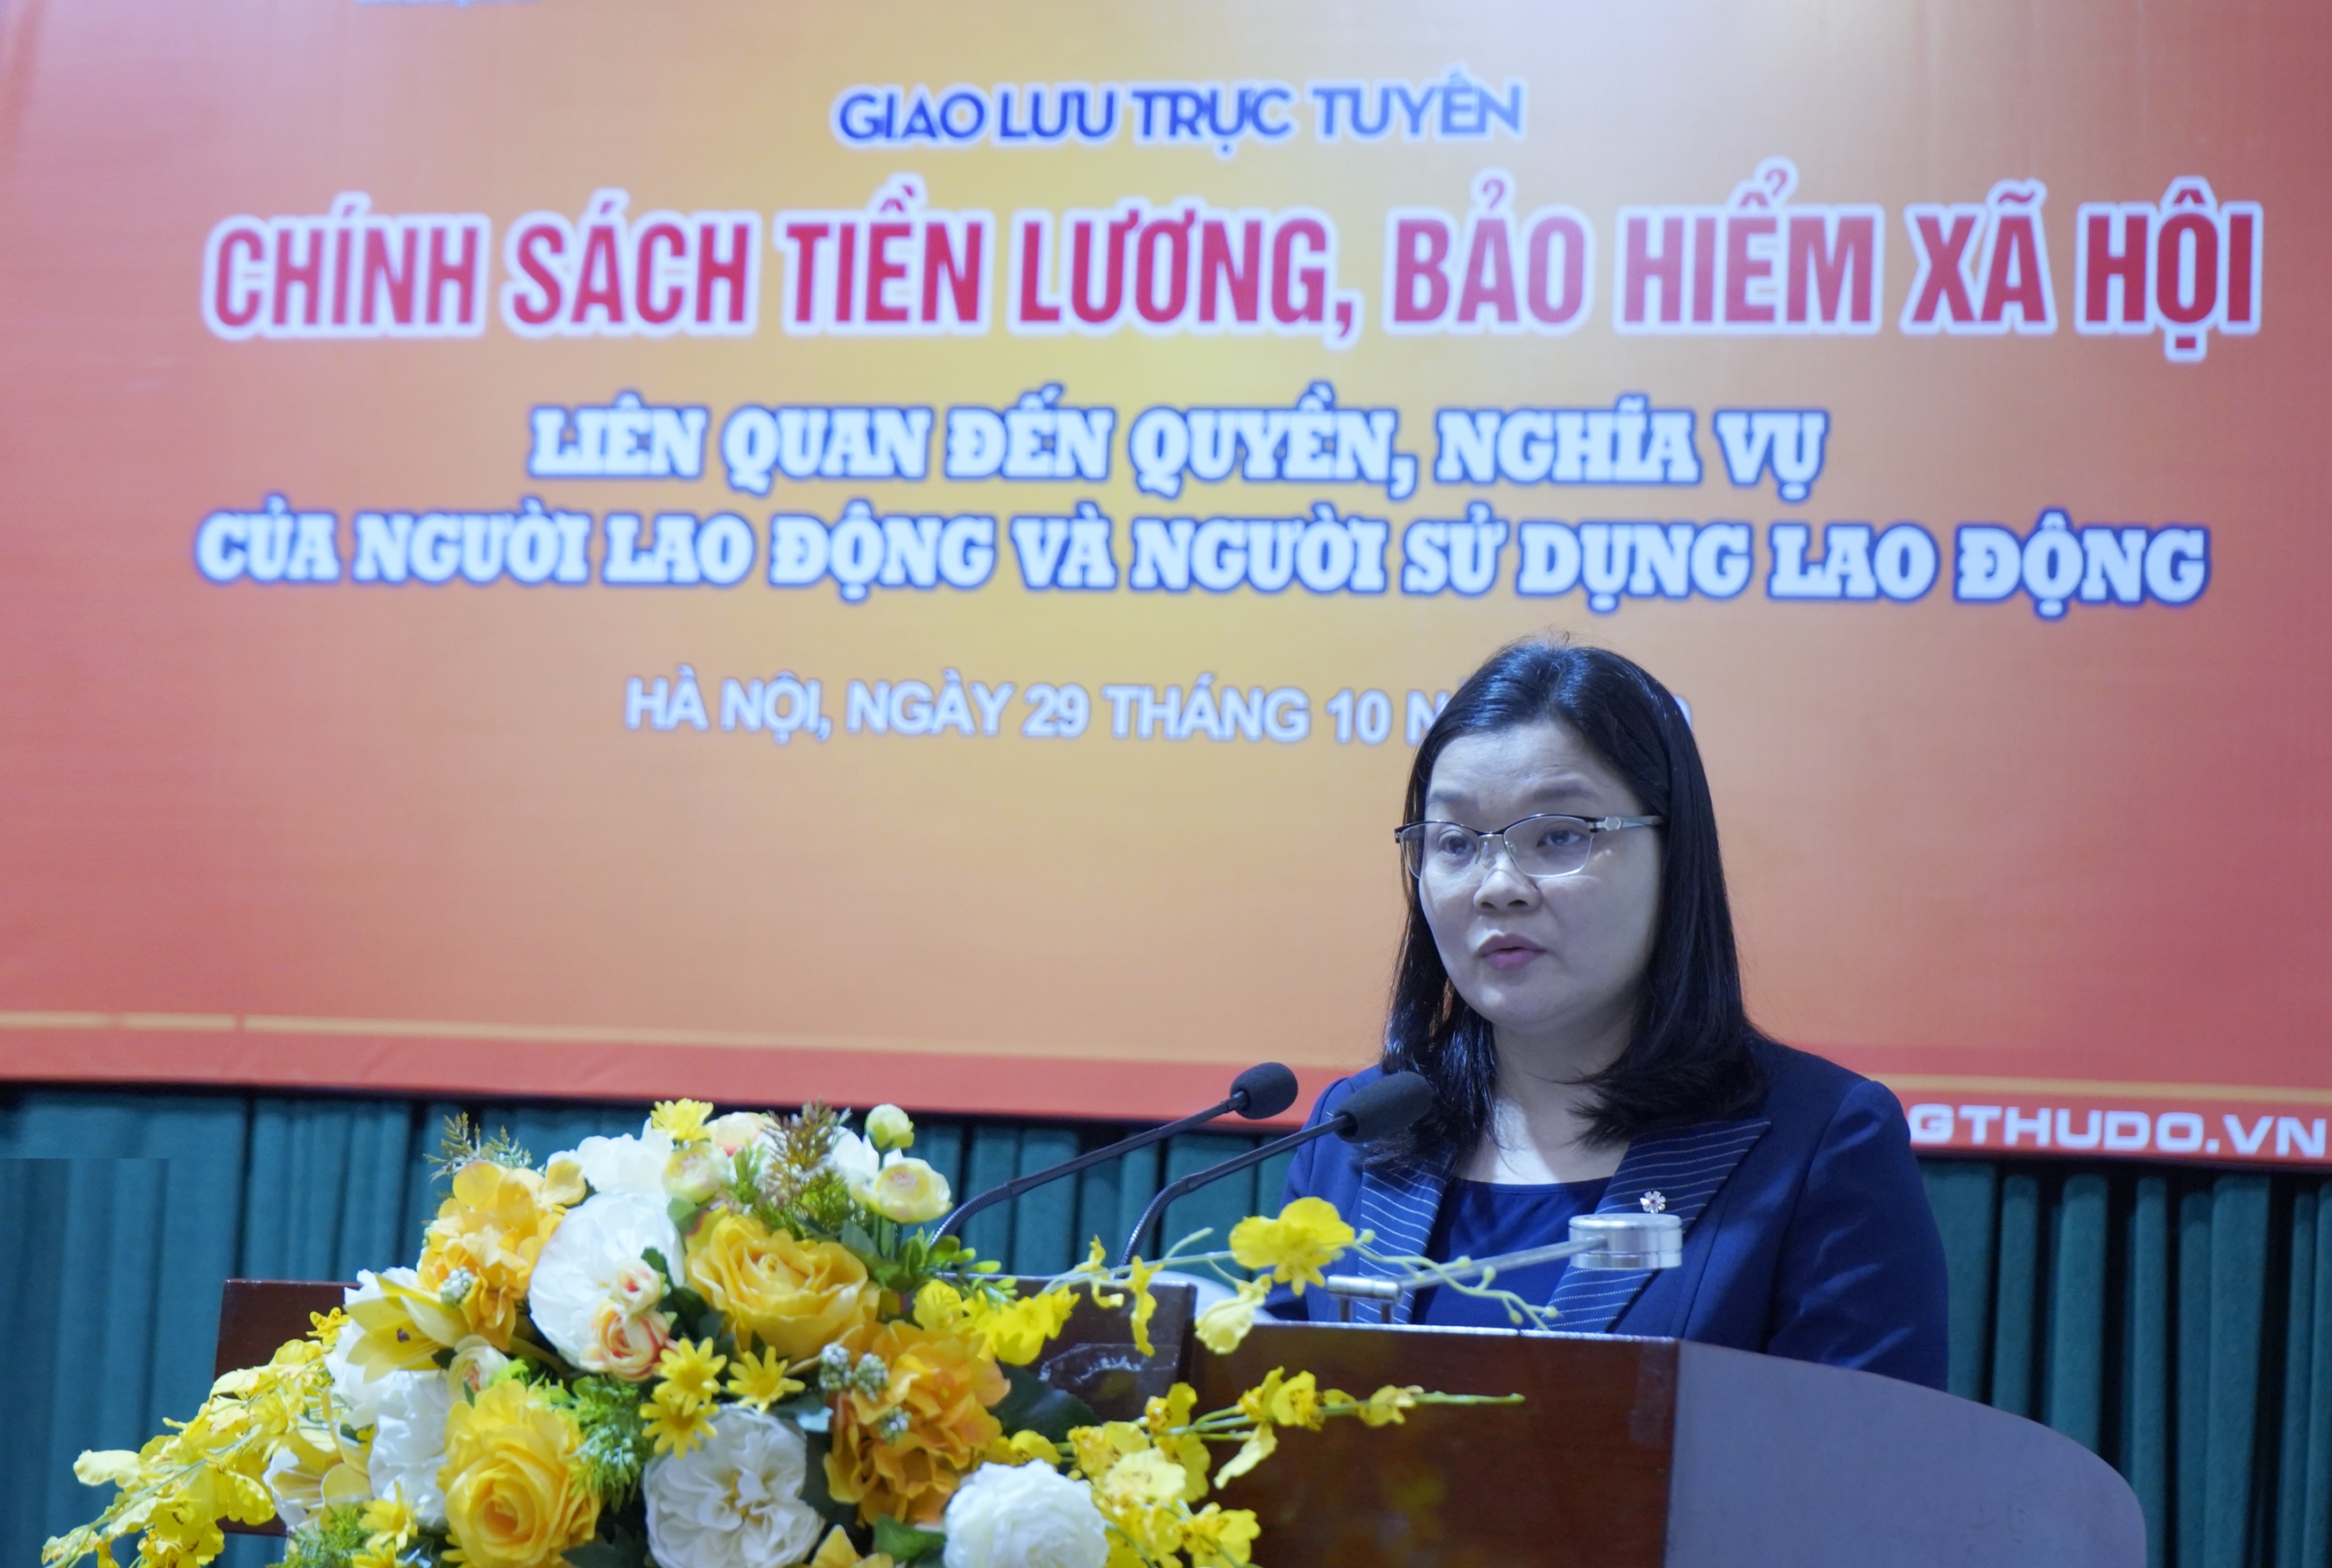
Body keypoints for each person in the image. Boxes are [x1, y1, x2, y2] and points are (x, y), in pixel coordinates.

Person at [1273, 637, 1950, 1389]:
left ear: (1673, 854)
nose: (1499, 885)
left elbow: (1862, 1454)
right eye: (1456, 843)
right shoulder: (1356, 1132)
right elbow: (1272, 1422)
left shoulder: (1818, 1142)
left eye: (1559, 835)